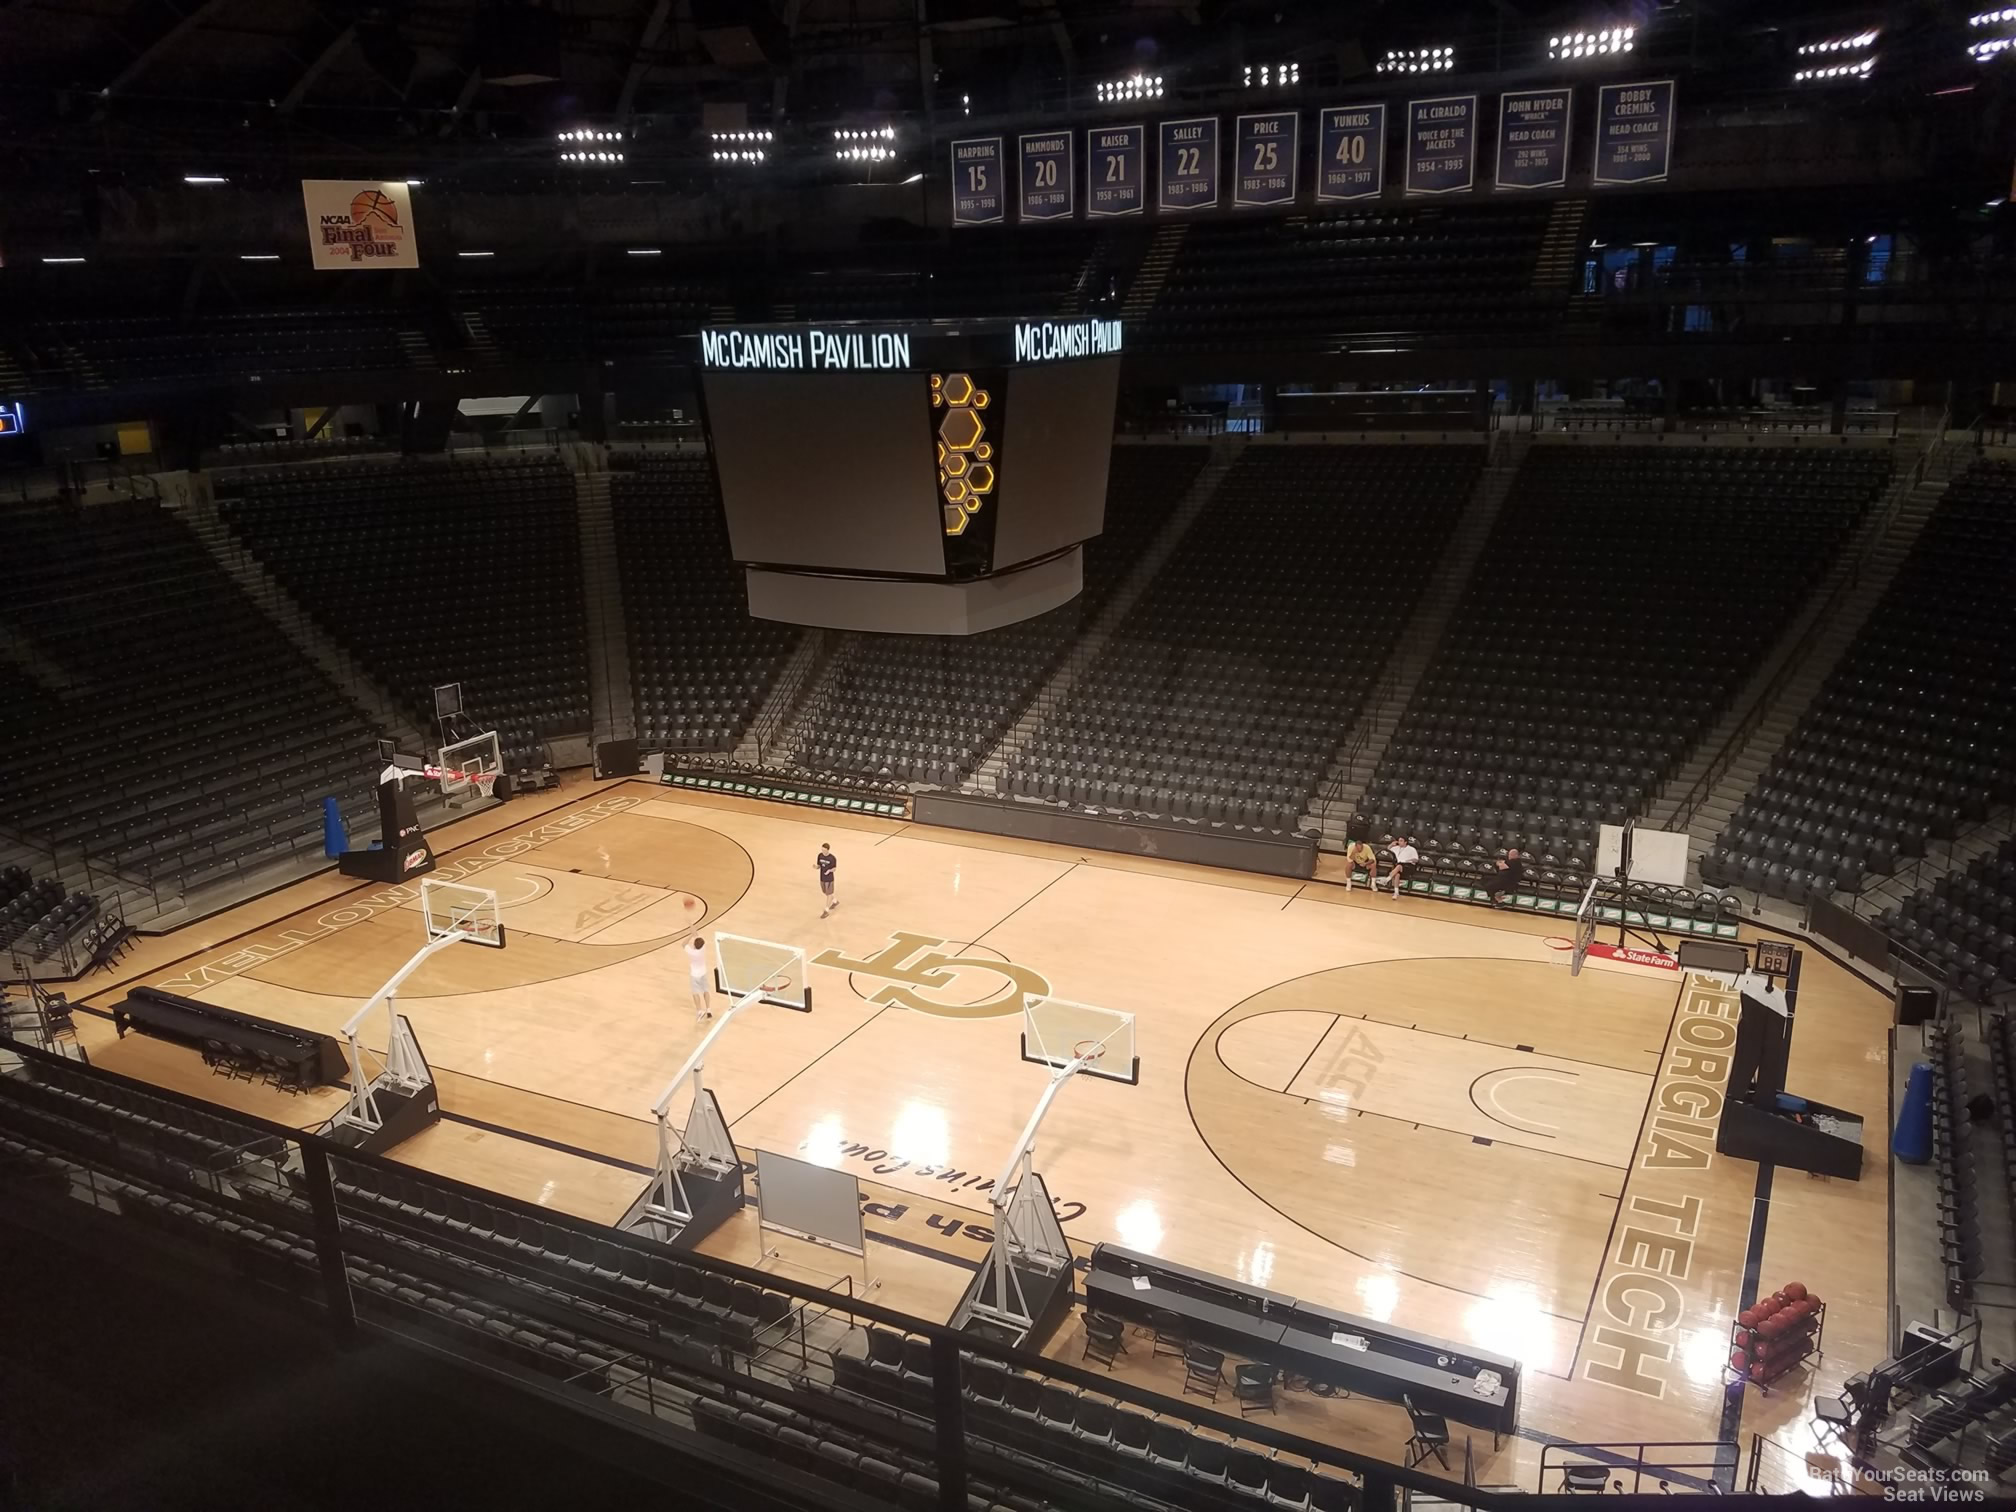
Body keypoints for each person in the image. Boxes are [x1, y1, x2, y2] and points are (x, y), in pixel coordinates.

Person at [685, 935, 712, 1022]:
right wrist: (695, 933)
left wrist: (690, 935)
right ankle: (708, 1009)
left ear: (694, 945)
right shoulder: (703, 949)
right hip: (703, 973)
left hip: (694, 975)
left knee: (695, 993)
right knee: (706, 991)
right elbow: (700, 938)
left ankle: (700, 1011)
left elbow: (683, 944)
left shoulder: (691, 952)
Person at [817, 842, 838, 918]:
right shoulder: (820, 855)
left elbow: (834, 868)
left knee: (829, 893)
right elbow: (819, 865)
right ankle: (835, 901)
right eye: (822, 850)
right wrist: (816, 867)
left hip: (829, 878)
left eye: (824, 850)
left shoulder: (832, 858)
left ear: (828, 850)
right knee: (825, 892)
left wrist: (829, 871)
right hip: (822, 877)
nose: (823, 851)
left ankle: (826, 910)